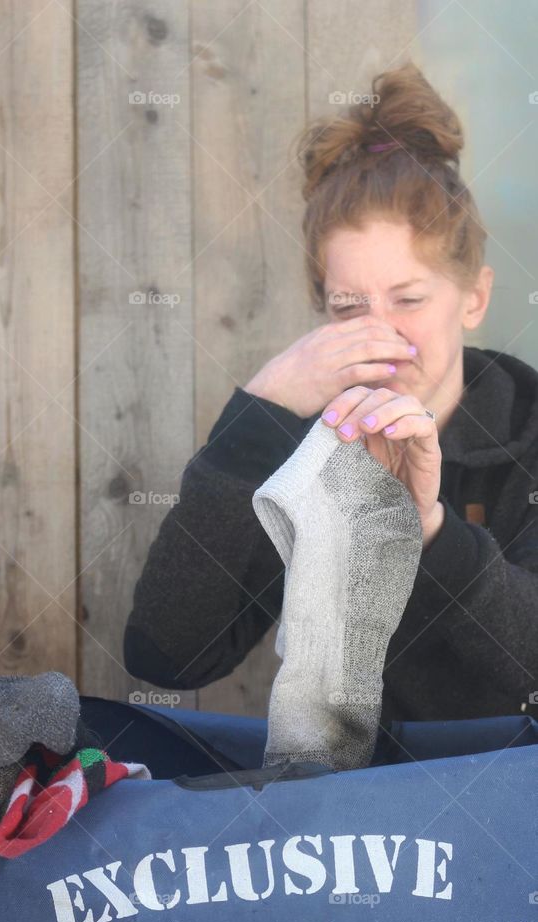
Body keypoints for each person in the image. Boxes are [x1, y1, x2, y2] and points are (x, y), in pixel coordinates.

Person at [123, 61, 538, 724]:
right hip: (348, 803)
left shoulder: (526, 431)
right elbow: (167, 656)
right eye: (349, 307)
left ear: (474, 297)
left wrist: (429, 529)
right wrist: (252, 419)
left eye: (407, 298)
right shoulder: (307, 446)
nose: (379, 331)